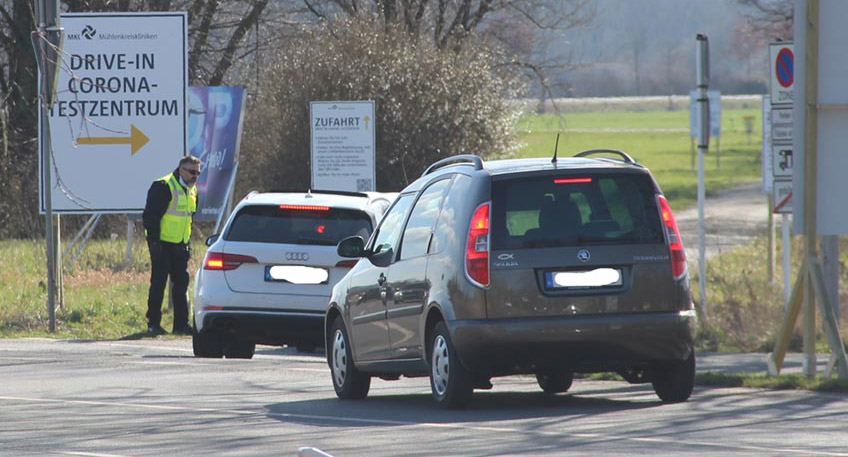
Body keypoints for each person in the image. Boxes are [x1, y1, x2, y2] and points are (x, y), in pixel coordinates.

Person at [142, 156, 201, 336]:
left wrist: (187, 243)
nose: (195, 176)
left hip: (180, 245)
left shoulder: (192, 190)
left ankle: (181, 325)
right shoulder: (164, 186)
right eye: (192, 172)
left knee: (181, 284)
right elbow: (150, 217)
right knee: (159, 283)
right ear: (181, 170)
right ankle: (153, 324)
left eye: (198, 173)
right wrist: (154, 242)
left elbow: (188, 219)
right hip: (162, 244)